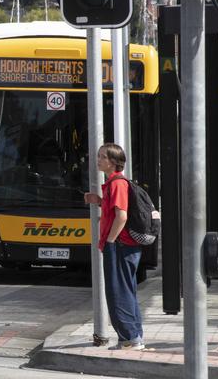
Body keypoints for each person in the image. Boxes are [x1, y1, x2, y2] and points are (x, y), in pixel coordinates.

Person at [84, 143, 144, 351]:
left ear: (112, 162)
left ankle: (129, 339)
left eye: (102, 157)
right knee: (126, 290)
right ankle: (134, 336)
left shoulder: (117, 184)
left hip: (120, 245)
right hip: (124, 245)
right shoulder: (114, 184)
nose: (98, 160)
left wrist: (110, 240)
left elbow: (122, 216)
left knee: (118, 292)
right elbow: (115, 210)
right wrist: (100, 201)